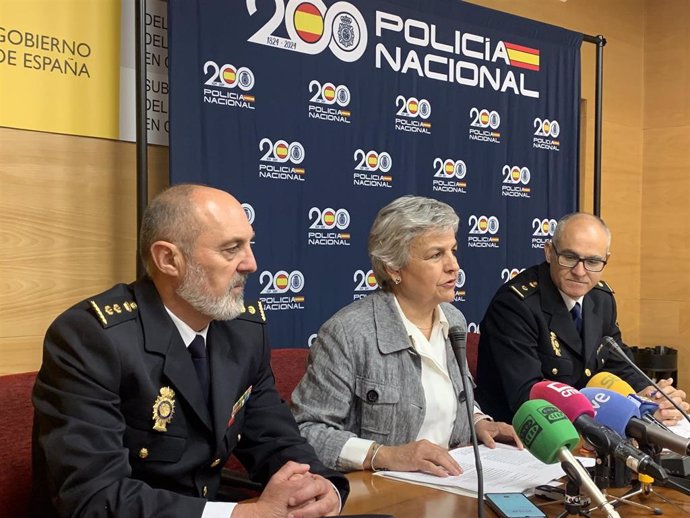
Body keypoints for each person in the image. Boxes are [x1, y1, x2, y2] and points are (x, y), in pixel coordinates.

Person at [31, 184, 348, 518]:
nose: (251, 264)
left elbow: (275, 439)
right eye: (231, 249)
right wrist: (239, 516)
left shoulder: (244, 331)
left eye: (249, 244)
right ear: (169, 259)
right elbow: (94, 497)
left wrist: (320, 486)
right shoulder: (91, 338)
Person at [291, 195, 521, 477]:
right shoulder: (349, 333)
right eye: (436, 255)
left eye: (453, 250)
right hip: (380, 491)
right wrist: (385, 455)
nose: (454, 266)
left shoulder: (454, 320)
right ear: (393, 268)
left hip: (453, 480)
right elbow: (307, 431)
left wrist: (478, 421)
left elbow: (452, 397)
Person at [475, 212, 689, 425]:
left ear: (606, 260)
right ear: (549, 252)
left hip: (589, 432)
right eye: (569, 257)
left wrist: (651, 396)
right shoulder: (515, 305)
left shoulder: (601, 299)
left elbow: (617, 363)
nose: (580, 271)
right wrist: (628, 412)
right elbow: (528, 396)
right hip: (528, 437)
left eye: (593, 261)